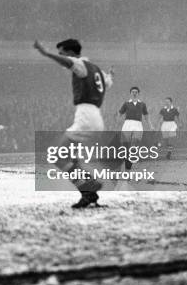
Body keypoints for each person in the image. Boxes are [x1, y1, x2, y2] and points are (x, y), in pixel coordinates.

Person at [33, 39, 114, 209]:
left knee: (57, 156)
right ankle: (88, 194)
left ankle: (89, 185)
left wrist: (46, 53)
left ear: (71, 52)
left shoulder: (80, 64)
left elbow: (68, 62)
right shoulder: (96, 69)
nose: (61, 56)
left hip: (85, 117)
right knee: (70, 158)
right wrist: (111, 74)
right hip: (95, 117)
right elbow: (108, 81)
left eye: (62, 52)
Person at [118, 87, 153, 170]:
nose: (134, 93)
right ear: (130, 93)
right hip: (127, 124)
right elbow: (120, 114)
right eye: (132, 92)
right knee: (126, 146)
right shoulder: (126, 103)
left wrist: (150, 125)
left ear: (138, 94)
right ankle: (127, 162)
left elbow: (146, 116)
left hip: (138, 124)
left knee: (134, 145)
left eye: (136, 92)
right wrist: (117, 122)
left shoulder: (142, 104)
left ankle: (129, 161)